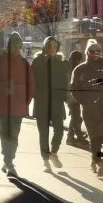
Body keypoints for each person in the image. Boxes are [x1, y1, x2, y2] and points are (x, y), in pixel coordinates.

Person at [0, 32, 34, 178]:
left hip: (18, 105)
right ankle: (8, 161)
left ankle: (9, 160)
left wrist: (27, 100)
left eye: (19, 46)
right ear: (9, 46)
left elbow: (31, 84)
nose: (17, 49)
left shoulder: (23, 63)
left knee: (14, 133)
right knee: (4, 132)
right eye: (15, 46)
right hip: (3, 104)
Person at [70, 39, 103, 175]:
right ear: (87, 53)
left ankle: (94, 161)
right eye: (92, 51)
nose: (96, 54)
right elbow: (74, 88)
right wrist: (84, 101)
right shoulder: (80, 69)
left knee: (99, 137)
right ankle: (99, 163)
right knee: (94, 135)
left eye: (98, 52)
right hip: (89, 109)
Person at [32, 37, 70, 171]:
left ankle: (53, 153)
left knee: (59, 130)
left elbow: (67, 81)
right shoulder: (37, 62)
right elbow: (31, 81)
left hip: (57, 102)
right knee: (43, 133)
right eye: (49, 46)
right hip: (41, 103)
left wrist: (66, 96)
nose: (51, 48)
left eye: (54, 46)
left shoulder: (62, 62)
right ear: (44, 47)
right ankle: (45, 160)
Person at [65, 50, 87, 143]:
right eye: (79, 60)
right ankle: (73, 137)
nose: (80, 62)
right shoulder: (74, 69)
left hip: (70, 95)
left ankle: (72, 136)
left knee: (75, 116)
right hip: (72, 96)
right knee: (76, 117)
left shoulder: (68, 67)